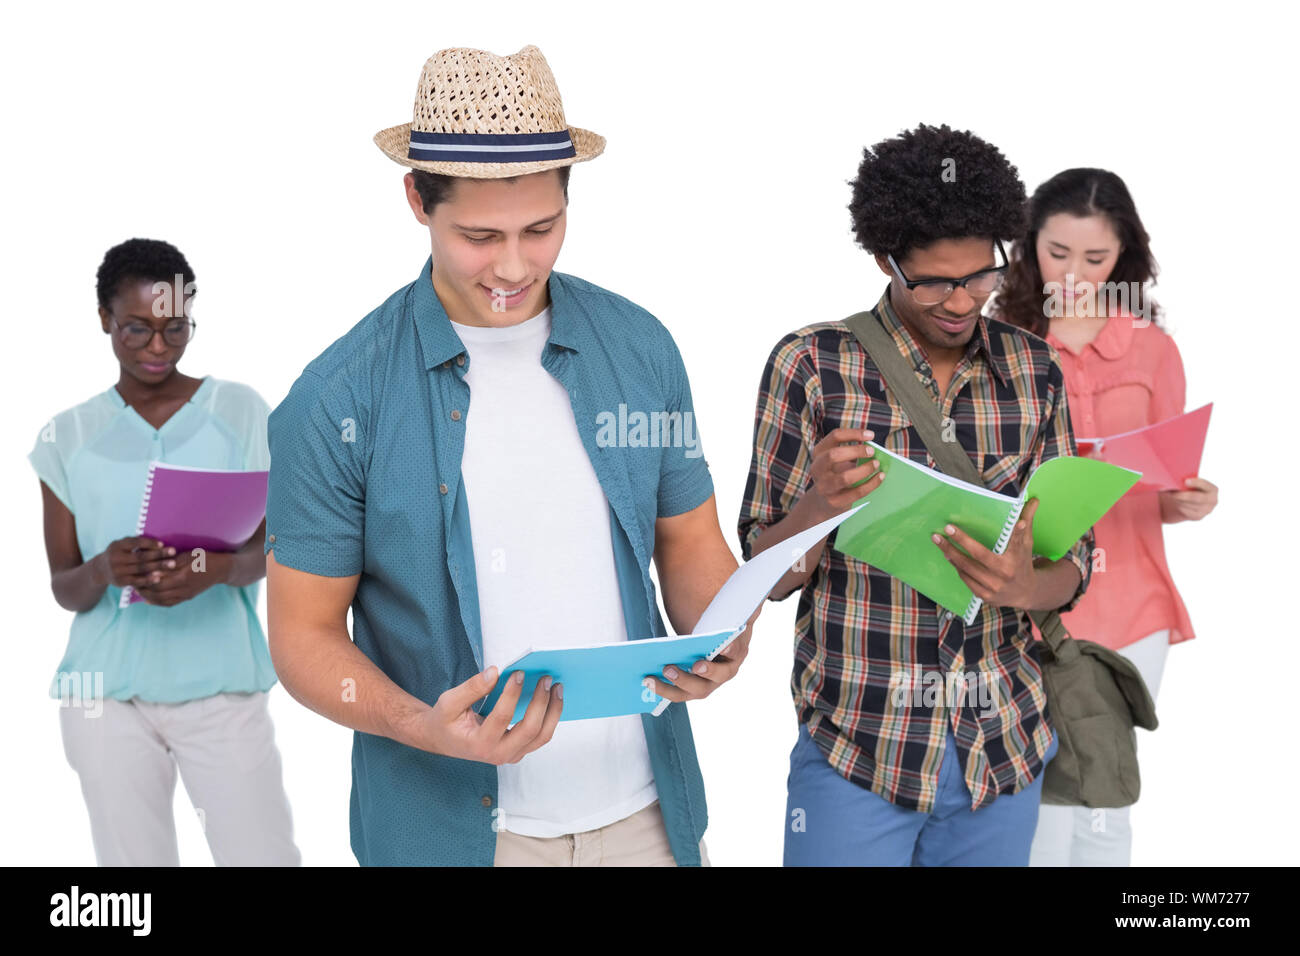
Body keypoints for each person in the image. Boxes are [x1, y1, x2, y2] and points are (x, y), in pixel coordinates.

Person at [264, 45, 753, 867]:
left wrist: (720, 633)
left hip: (649, 823)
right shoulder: (335, 399)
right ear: (417, 198)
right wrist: (423, 726)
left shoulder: (640, 347)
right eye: (480, 236)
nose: (515, 266)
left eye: (542, 228)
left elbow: (692, 544)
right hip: (452, 837)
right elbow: (303, 636)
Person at [738, 123, 1093, 866]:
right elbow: (762, 579)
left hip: (1003, 751)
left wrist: (1027, 582)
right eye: (933, 280)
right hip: (859, 752)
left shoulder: (1035, 370)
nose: (961, 301)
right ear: (884, 259)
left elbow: (1075, 566)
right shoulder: (810, 364)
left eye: (980, 276)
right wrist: (814, 512)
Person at [29, 238, 300, 866]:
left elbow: (279, 546)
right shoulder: (66, 435)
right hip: (105, 697)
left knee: (263, 856)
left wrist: (215, 568)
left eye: (174, 327)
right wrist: (104, 568)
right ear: (105, 320)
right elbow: (63, 585)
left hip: (222, 688)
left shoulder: (242, 412)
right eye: (136, 328)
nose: (158, 346)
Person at [993, 167, 1219, 866]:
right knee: (1041, 795)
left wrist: (1186, 502)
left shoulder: (1154, 350)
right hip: (1034, 599)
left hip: (1132, 603)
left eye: (1096, 258)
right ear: (1029, 246)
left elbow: (1164, 479)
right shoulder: (1000, 341)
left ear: (1125, 256)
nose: (1074, 274)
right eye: (1057, 253)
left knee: (1104, 795)